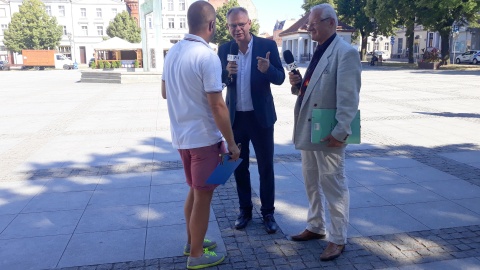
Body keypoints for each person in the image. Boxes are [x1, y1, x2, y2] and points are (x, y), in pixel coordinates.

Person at [162, 2, 240, 269]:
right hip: (204, 139)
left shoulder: (173, 52)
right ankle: (196, 255)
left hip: (182, 138)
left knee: (195, 193)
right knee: (203, 197)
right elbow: (218, 105)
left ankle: (191, 242)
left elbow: (164, 92)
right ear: (211, 25)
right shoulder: (206, 56)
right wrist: (231, 143)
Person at [288, 3, 361, 262]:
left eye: (313, 22)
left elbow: (349, 99)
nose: (309, 27)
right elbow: (314, 90)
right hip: (311, 129)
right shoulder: (321, 50)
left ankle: (338, 239)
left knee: (334, 185)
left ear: (331, 23)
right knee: (310, 181)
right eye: (309, 22)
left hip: (329, 133)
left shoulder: (346, 53)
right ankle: (315, 225)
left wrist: (340, 133)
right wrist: (298, 86)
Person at [218, 7, 285, 234]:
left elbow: (280, 78)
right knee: (239, 166)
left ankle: (268, 213)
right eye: (232, 25)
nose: (237, 29)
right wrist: (226, 72)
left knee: (266, 166)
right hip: (236, 120)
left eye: (241, 24)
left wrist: (267, 69)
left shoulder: (267, 46)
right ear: (228, 28)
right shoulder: (224, 49)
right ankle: (245, 210)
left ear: (249, 24)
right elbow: (219, 82)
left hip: (261, 118)